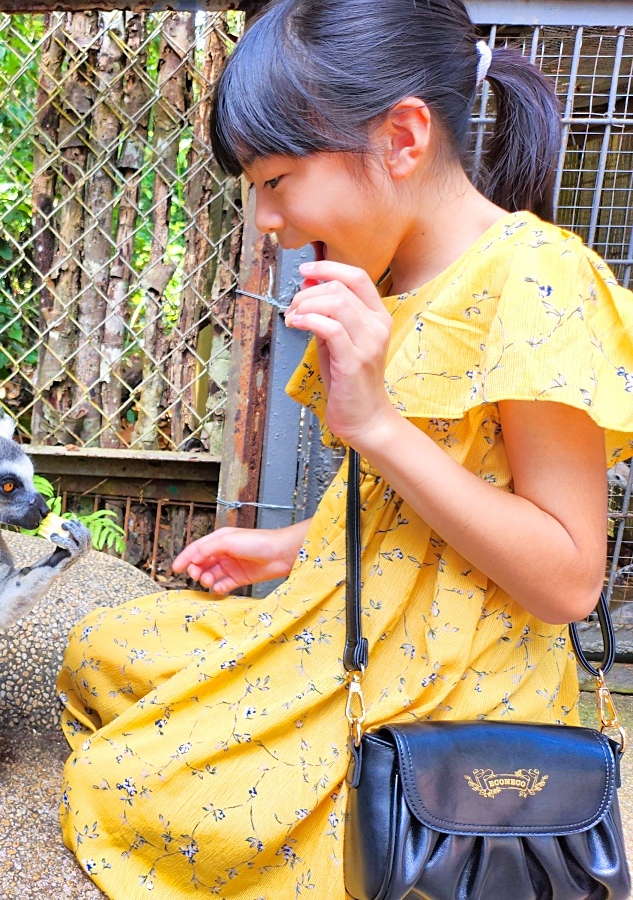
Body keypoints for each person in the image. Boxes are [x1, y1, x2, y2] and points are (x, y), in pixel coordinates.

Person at [56, 0, 633, 897]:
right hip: (347, 628)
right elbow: (402, 517)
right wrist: (287, 550)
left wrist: (377, 424)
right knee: (104, 645)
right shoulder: (387, 277)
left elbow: (567, 582)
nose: (266, 219)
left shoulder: (538, 277)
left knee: (129, 785)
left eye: (277, 179)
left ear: (403, 136)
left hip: (456, 690)